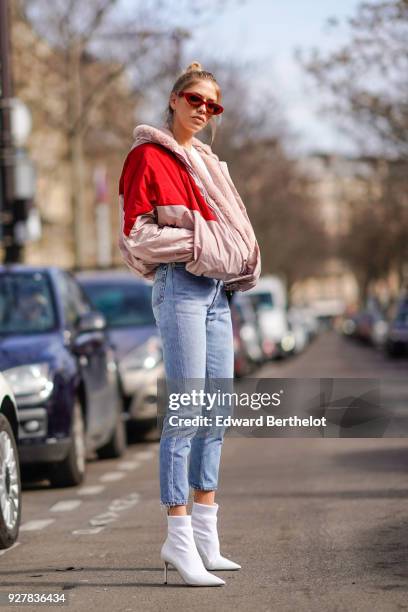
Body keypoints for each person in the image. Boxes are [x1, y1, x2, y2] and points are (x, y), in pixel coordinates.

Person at [118, 61, 261, 586]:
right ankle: (177, 536)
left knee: (216, 410)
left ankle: (206, 536)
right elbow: (136, 236)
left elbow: (233, 233)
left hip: (218, 291)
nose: (204, 110)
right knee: (185, 409)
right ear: (174, 100)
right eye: (195, 99)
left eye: (212, 104)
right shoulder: (147, 157)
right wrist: (201, 240)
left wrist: (210, 243)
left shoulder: (209, 163)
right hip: (180, 285)